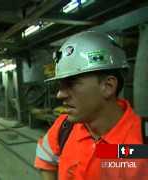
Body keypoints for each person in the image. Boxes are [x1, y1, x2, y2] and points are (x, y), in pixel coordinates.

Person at [34, 31, 147, 179]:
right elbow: (45, 159)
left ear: (108, 86)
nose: (60, 94)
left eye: (71, 83)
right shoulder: (64, 126)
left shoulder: (142, 141)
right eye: (60, 85)